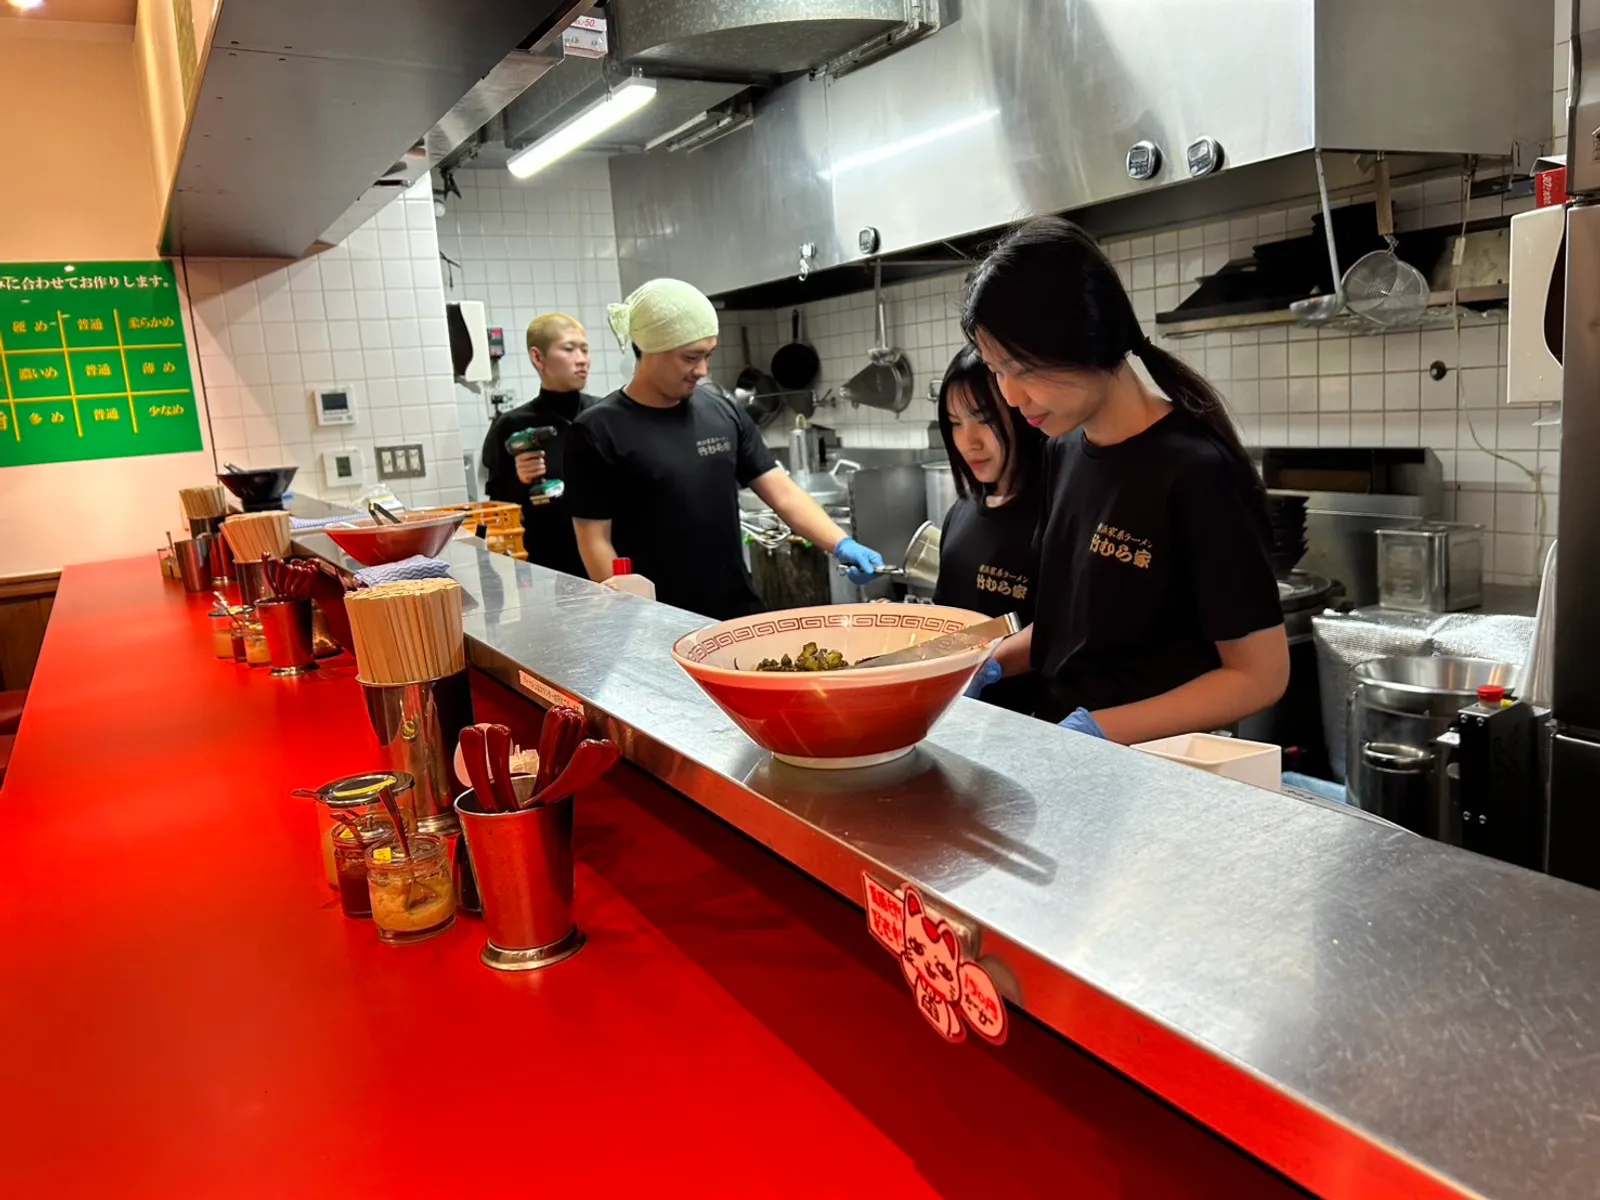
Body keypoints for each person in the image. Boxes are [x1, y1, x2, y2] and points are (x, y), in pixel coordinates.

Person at [963, 216, 1288, 743]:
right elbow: (1078, 624)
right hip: (1076, 759)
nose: (1011, 396)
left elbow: (1259, 676)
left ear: (1087, 339)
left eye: (1022, 368)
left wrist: (1099, 731)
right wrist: (985, 663)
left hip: (1164, 775)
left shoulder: (1195, 469)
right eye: (997, 370)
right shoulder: (1062, 451)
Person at [564, 278, 885, 620]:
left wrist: (840, 544)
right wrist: (627, 617)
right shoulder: (597, 429)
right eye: (691, 357)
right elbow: (594, 539)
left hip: (736, 612)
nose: (702, 371)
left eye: (708, 355)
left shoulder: (722, 410)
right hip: (656, 619)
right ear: (650, 349)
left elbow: (783, 494)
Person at [932, 346, 1046, 713]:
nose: (968, 440)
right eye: (954, 423)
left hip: (1035, 725)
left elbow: (1067, 630)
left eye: (983, 419)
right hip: (958, 722)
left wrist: (983, 667)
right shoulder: (961, 513)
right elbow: (946, 621)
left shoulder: (1059, 512)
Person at [480, 314, 598, 576]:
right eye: (569, 349)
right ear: (538, 357)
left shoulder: (603, 416)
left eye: (585, 349)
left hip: (605, 560)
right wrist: (519, 481)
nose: (582, 359)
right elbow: (499, 510)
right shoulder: (512, 425)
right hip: (544, 566)